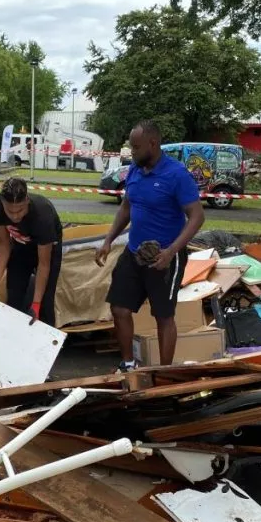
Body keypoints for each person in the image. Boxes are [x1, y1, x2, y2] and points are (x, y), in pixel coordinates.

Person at [95, 121, 205, 370]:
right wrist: (108, 240)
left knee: (163, 316)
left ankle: (163, 373)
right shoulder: (134, 170)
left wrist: (171, 252)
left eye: (136, 147)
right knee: (119, 309)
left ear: (152, 144)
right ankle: (128, 364)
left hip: (164, 256)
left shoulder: (176, 175)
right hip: (134, 252)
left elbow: (197, 217)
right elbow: (126, 208)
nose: (132, 152)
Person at [0, 177, 63, 326]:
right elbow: (4, 244)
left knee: (44, 303)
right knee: (14, 297)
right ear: (2, 203)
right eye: (10, 211)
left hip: (47, 250)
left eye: (20, 210)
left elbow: (44, 264)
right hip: (20, 245)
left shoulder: (42, 215)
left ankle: (46, 333)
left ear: (27, 200)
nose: (15, 216)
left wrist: (36, 304)